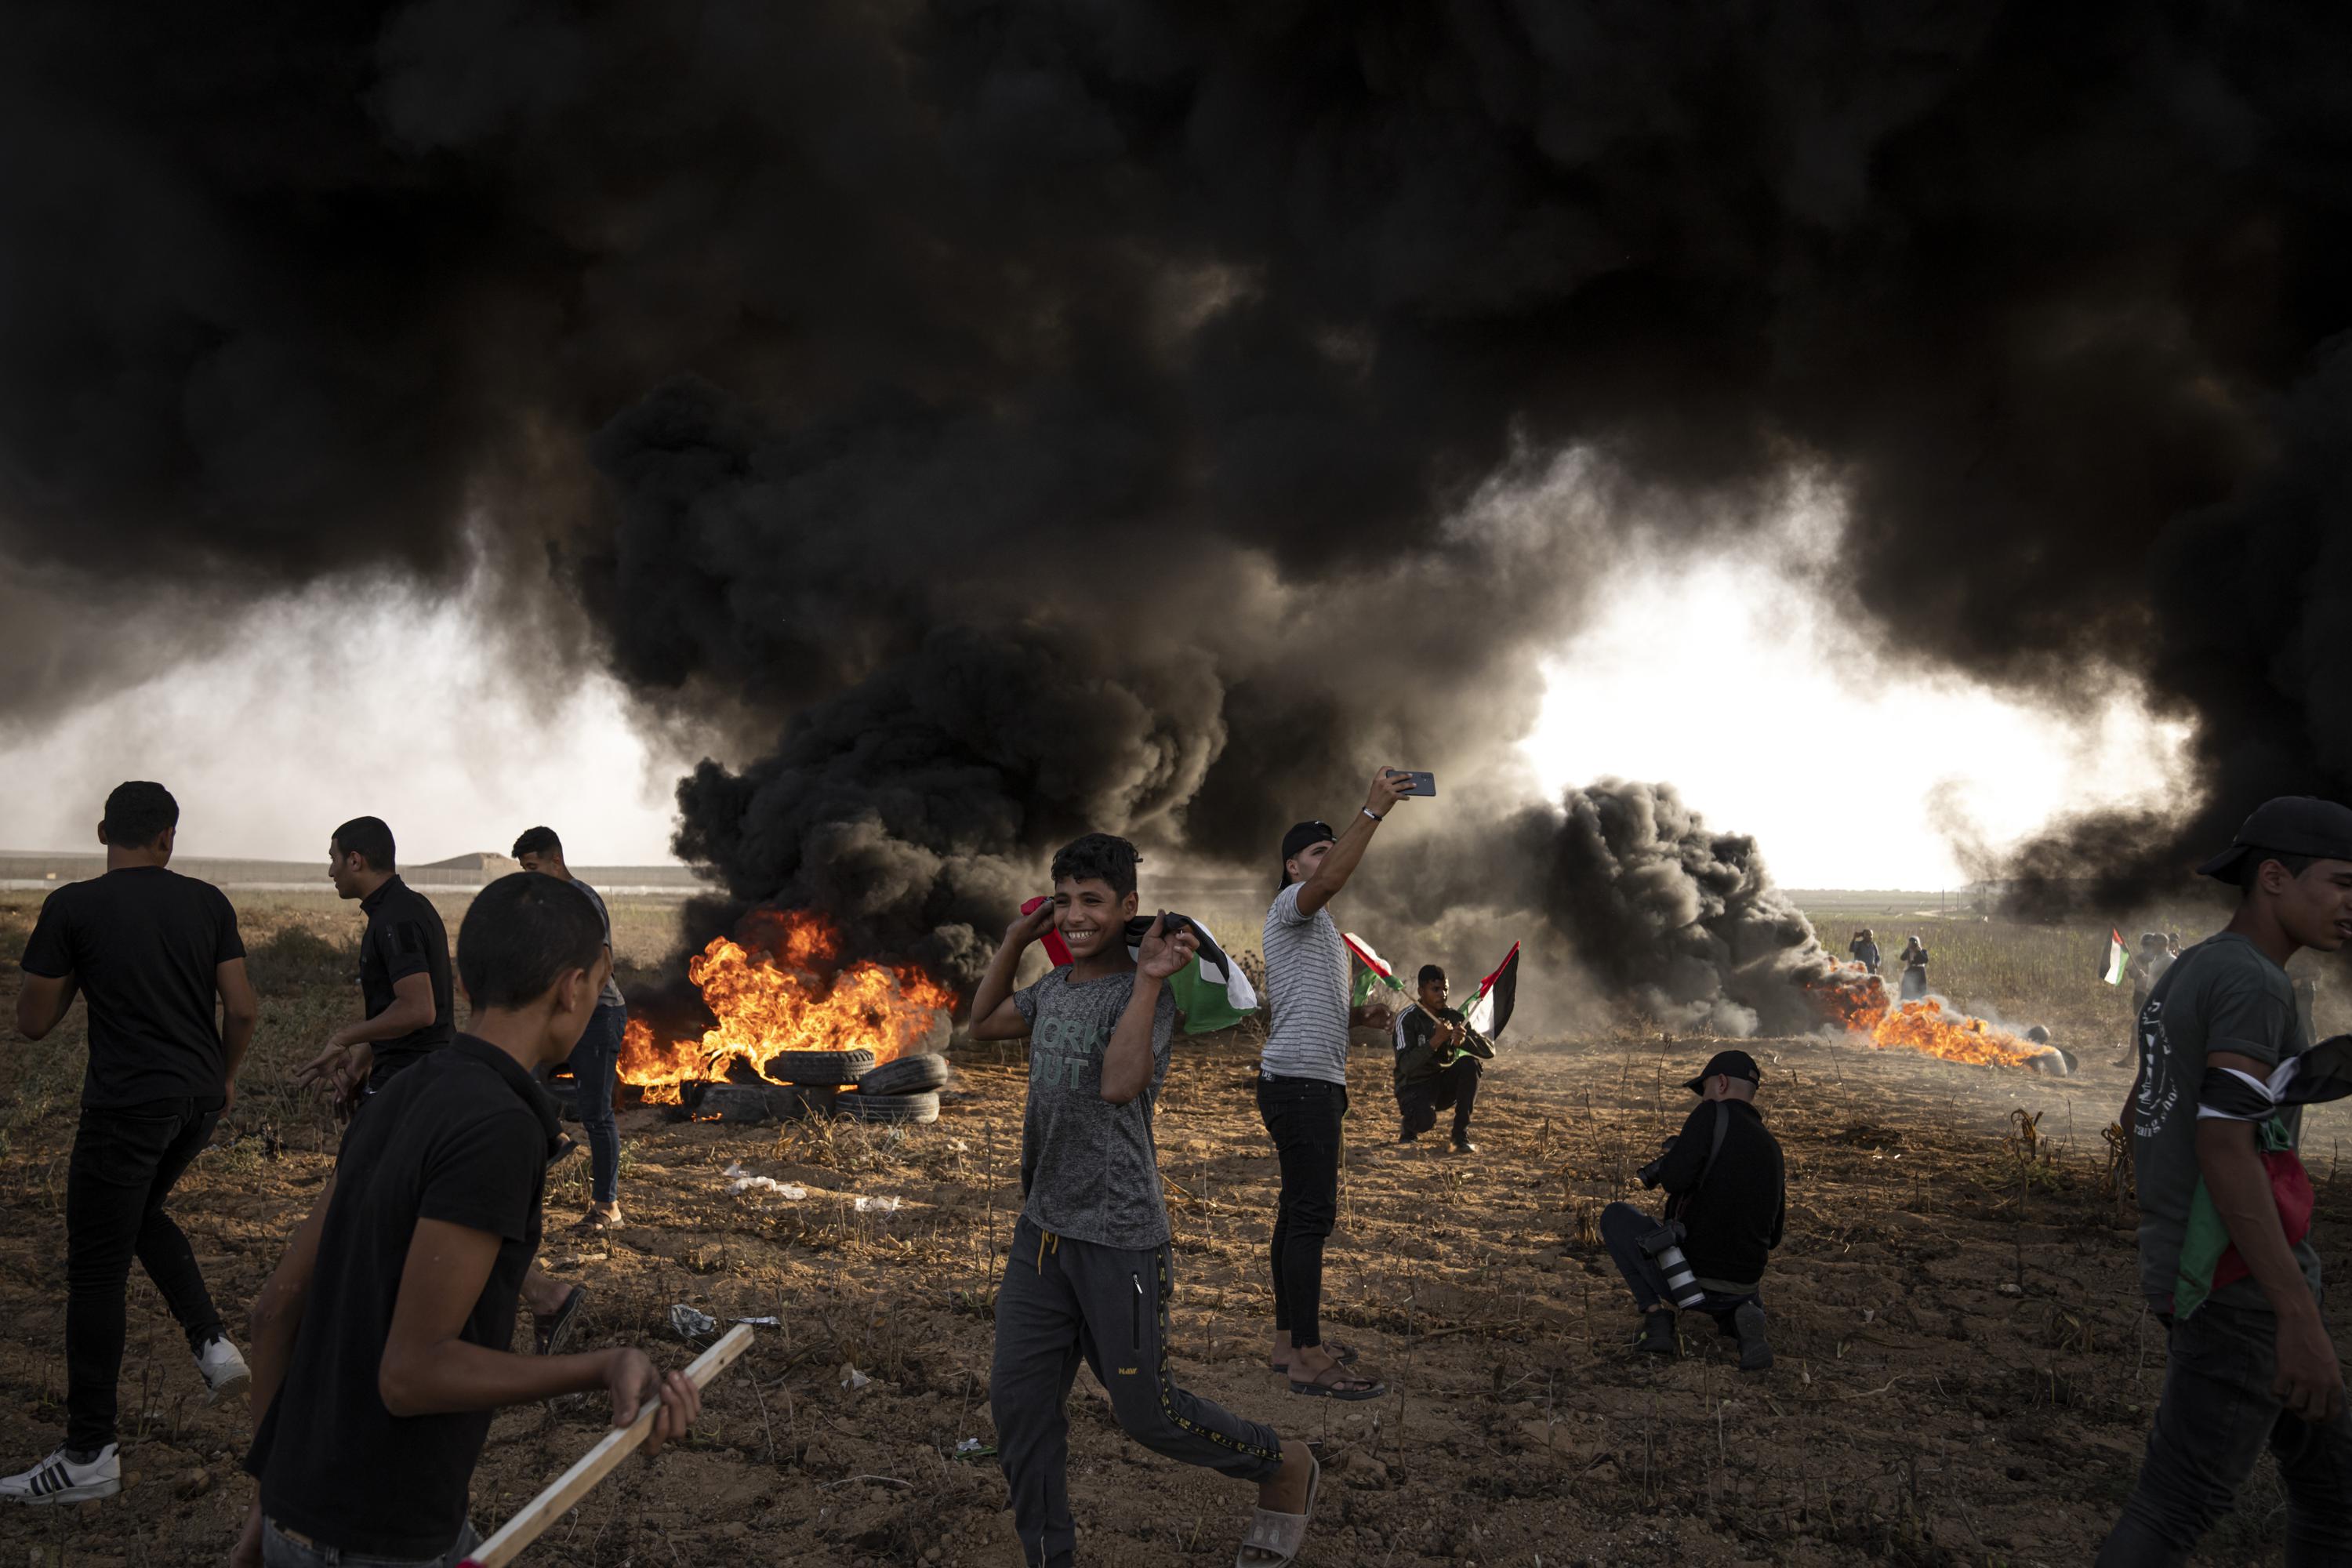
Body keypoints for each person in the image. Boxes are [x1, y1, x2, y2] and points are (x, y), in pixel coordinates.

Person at [233, 873, 701, 1568]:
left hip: (301, 1516)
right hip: (379, 1538)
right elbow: (413, 1373)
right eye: (601, 984)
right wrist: (604, 1366)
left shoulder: (397, 1092)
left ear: (464, 975)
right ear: (572, 990)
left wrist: (272, 1503)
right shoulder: (499, 1129)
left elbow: (274, 1311)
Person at [969, 834, 1319, 1568]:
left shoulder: (1146, 999)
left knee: (1149, 1414)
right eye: (1062, 901)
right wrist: (1013, 939)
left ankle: (1282, 1465)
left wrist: (1152, 978)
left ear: (1128, 906)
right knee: (1019, 1408)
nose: (1073, 916)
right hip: (1041, 1235)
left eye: (1091, 901)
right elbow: (984, 1022)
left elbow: (1120, 1084)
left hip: (1119, 1235)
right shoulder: (1053, 991)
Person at [2099, 798, 2352, 1563]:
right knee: (2177, 1504)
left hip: (2195, 1266)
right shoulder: (2255, 984)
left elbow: (2141, 1105)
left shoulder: (2191, 969)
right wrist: (2297, 1312)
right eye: (2342, 883)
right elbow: (2223, 1145)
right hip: (2238, 1283)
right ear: (2273, 877)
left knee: (2337, 1490)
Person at [2, 783, 259, 1504]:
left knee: (95, 1269)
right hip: (197, 1101)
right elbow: (240, 1008)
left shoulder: (73, 907)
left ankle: (89, 1455)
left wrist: (84, 965)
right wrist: (226, 1077)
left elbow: (31, 1022)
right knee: (138, 1214)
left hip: (125, 1105)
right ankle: (212, 1345)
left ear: (101, 832)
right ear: (169, 838)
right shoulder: (209, 902)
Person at [1258, 769, 1416, 1400]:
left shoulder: (1319, 928)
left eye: (1331, 846)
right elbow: (1331, 878)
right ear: (1293, 867)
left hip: (1305, 1082)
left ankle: (1285, 1340)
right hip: (1301, 1086)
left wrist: (1358, 1017)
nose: (1326, 860)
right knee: (1311, 1219)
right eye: (1315, 852)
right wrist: (1371, 813)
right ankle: (1309, 1357)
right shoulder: (1291, 905)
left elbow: (1305, 1003)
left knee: (1294, 1213)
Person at [1599, 1049, 1784, 1374]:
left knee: (1616, 1215)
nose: (1704, 1099)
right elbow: (1775, 1236)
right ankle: (1741, 1314)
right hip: (1743, 1284)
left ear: (1722, 1083)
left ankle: (1656, 1318)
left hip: (1688, 1281)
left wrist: (1677, 1158)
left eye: (1706, 1089)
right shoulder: (1772, 1146)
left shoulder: (1711, 1114)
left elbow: (1672, 1179)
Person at [512, 826, 628, 1230]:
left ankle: (606, 1208)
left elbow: (603, 966)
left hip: (597, 1016)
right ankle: (555, 1139)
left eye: (533, 866)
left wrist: (577, 1013)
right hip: (562, 1016)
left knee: (597, 1114)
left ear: (556, 861)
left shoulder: (581, 900)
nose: (529, 875)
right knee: (520, 1080)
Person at [298, 818, 455, 1098]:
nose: (331, 871)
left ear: (355, 861)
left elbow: (418, 1009)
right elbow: (396, 1010)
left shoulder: (395, 918)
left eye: (334, 859)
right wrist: (358, 1065)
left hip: (411, 1084)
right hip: (418, 1077)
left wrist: (343, 1038)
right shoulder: (402, 907)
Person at [1392, 964, 1490, 1153]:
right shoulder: (1407, 1018)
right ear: (1421, 991)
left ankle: (1460, 1135)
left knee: (1471, 1064)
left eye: (1445, 989)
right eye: (1435, 989)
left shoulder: (1455, 1017)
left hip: (1442, 1084)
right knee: (1423, 1121)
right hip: (1414, 1086)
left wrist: (1463, 1042)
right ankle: (1409, 1127)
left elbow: (1488, 1050)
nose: (1442, 994)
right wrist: (1436, 1041)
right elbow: (1405, 1066)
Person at [1896, 935, 1930, 1000]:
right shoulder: (1909, 951)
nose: (1912, 945)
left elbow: (1925, 960)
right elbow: (1902, 958)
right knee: (1906, 986)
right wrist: (1907, 949)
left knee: (1920, 988)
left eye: (1913, 943)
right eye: (1910, 943)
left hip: (1920, 970)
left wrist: (1919, 952)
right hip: (1911, 969)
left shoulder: (1923, 951)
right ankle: (1905, 1001)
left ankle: (1920, 1002)